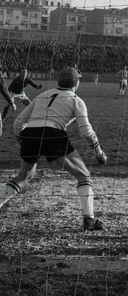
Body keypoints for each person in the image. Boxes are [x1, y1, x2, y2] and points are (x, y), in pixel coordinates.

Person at [0, 67, 108, 231]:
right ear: (76, 83)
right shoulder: (76, 100)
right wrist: (99, 152)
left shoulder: (43, 95)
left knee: (23, 176)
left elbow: (18, 123)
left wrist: (23, 141)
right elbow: (86, 131)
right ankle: (89, 220)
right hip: (53, 135)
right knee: (83, 175)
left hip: (30, 134)